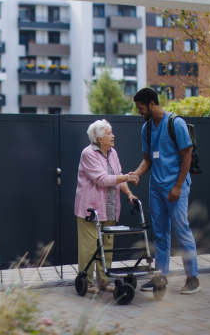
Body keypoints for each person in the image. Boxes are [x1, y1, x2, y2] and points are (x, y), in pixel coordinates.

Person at [128, 88, 201, 294]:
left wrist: (178, 186)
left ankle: (193, 278)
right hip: (156, 188)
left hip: (176, 186)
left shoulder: (175, 123)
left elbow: (186, 155)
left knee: (181, 229)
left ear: (152, 104)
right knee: (159, 233)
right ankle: (160, 277)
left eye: (141, 108)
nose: (140, 112)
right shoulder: (147, 128)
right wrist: (136, 174)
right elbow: (147, 160)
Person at [74, 119, 138, 294]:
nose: (113, 135)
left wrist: (129, 193)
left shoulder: (113, 153)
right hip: (91, 209)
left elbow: (118, 176)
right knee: (89, 247)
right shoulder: (88, 153)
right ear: (99, 138)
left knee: (107, 245)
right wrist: (126, 177)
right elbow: (102, 179)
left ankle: (104, 281)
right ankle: (87, 281)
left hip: (109, 207)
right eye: (109, 133)